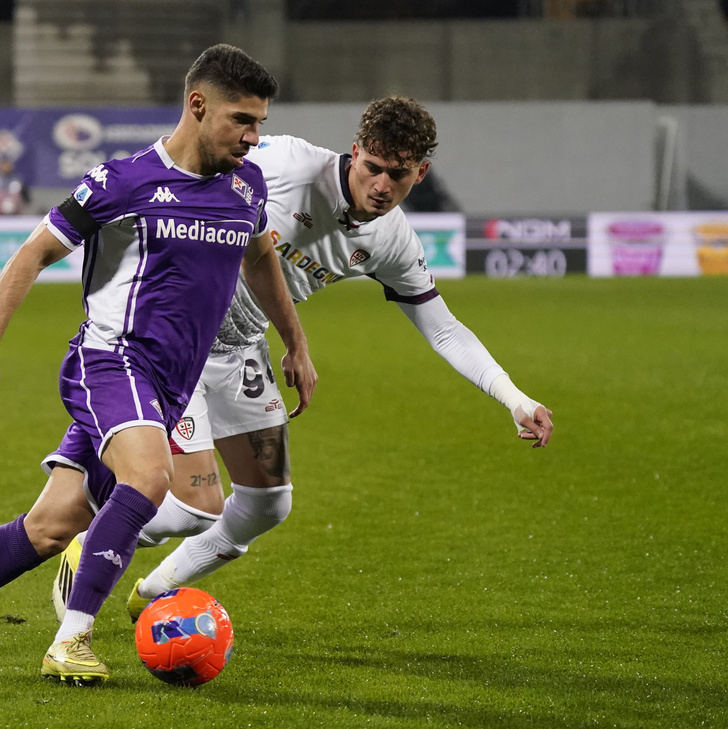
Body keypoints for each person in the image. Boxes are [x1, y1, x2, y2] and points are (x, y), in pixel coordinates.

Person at [0, 44, 316, 684]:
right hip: (112, 362)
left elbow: (262, 260)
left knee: (47, 529)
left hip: (169, 386)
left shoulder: (247, 185)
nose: (252, 135)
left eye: (260, 122)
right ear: (197, 104)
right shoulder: (124, 181)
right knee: (152, 479)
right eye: (242, 119)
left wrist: (295, 343)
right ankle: (71, 639)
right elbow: (31, 255)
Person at [51, 95, 554, 624]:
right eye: (372, 168)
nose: (381, 185)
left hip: (242, 348)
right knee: (199, 504)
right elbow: (188, 164)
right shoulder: (287, 162)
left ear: (420, 173)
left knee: (268, 504)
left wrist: (515, 398)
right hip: (178, 341)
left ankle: (154, 591)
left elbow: (445, 330)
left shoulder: (394, 241)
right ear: (354, 152)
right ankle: (88, 549)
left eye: (397, 175)